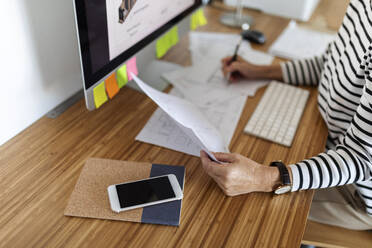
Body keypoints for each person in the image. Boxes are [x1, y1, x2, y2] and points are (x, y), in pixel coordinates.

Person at [200, 0, 372, 230]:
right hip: (330, 143)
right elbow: (330, 64)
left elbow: (360, 158)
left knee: (230, 211)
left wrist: (262, 177)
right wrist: (261, 71)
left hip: (356, 192)